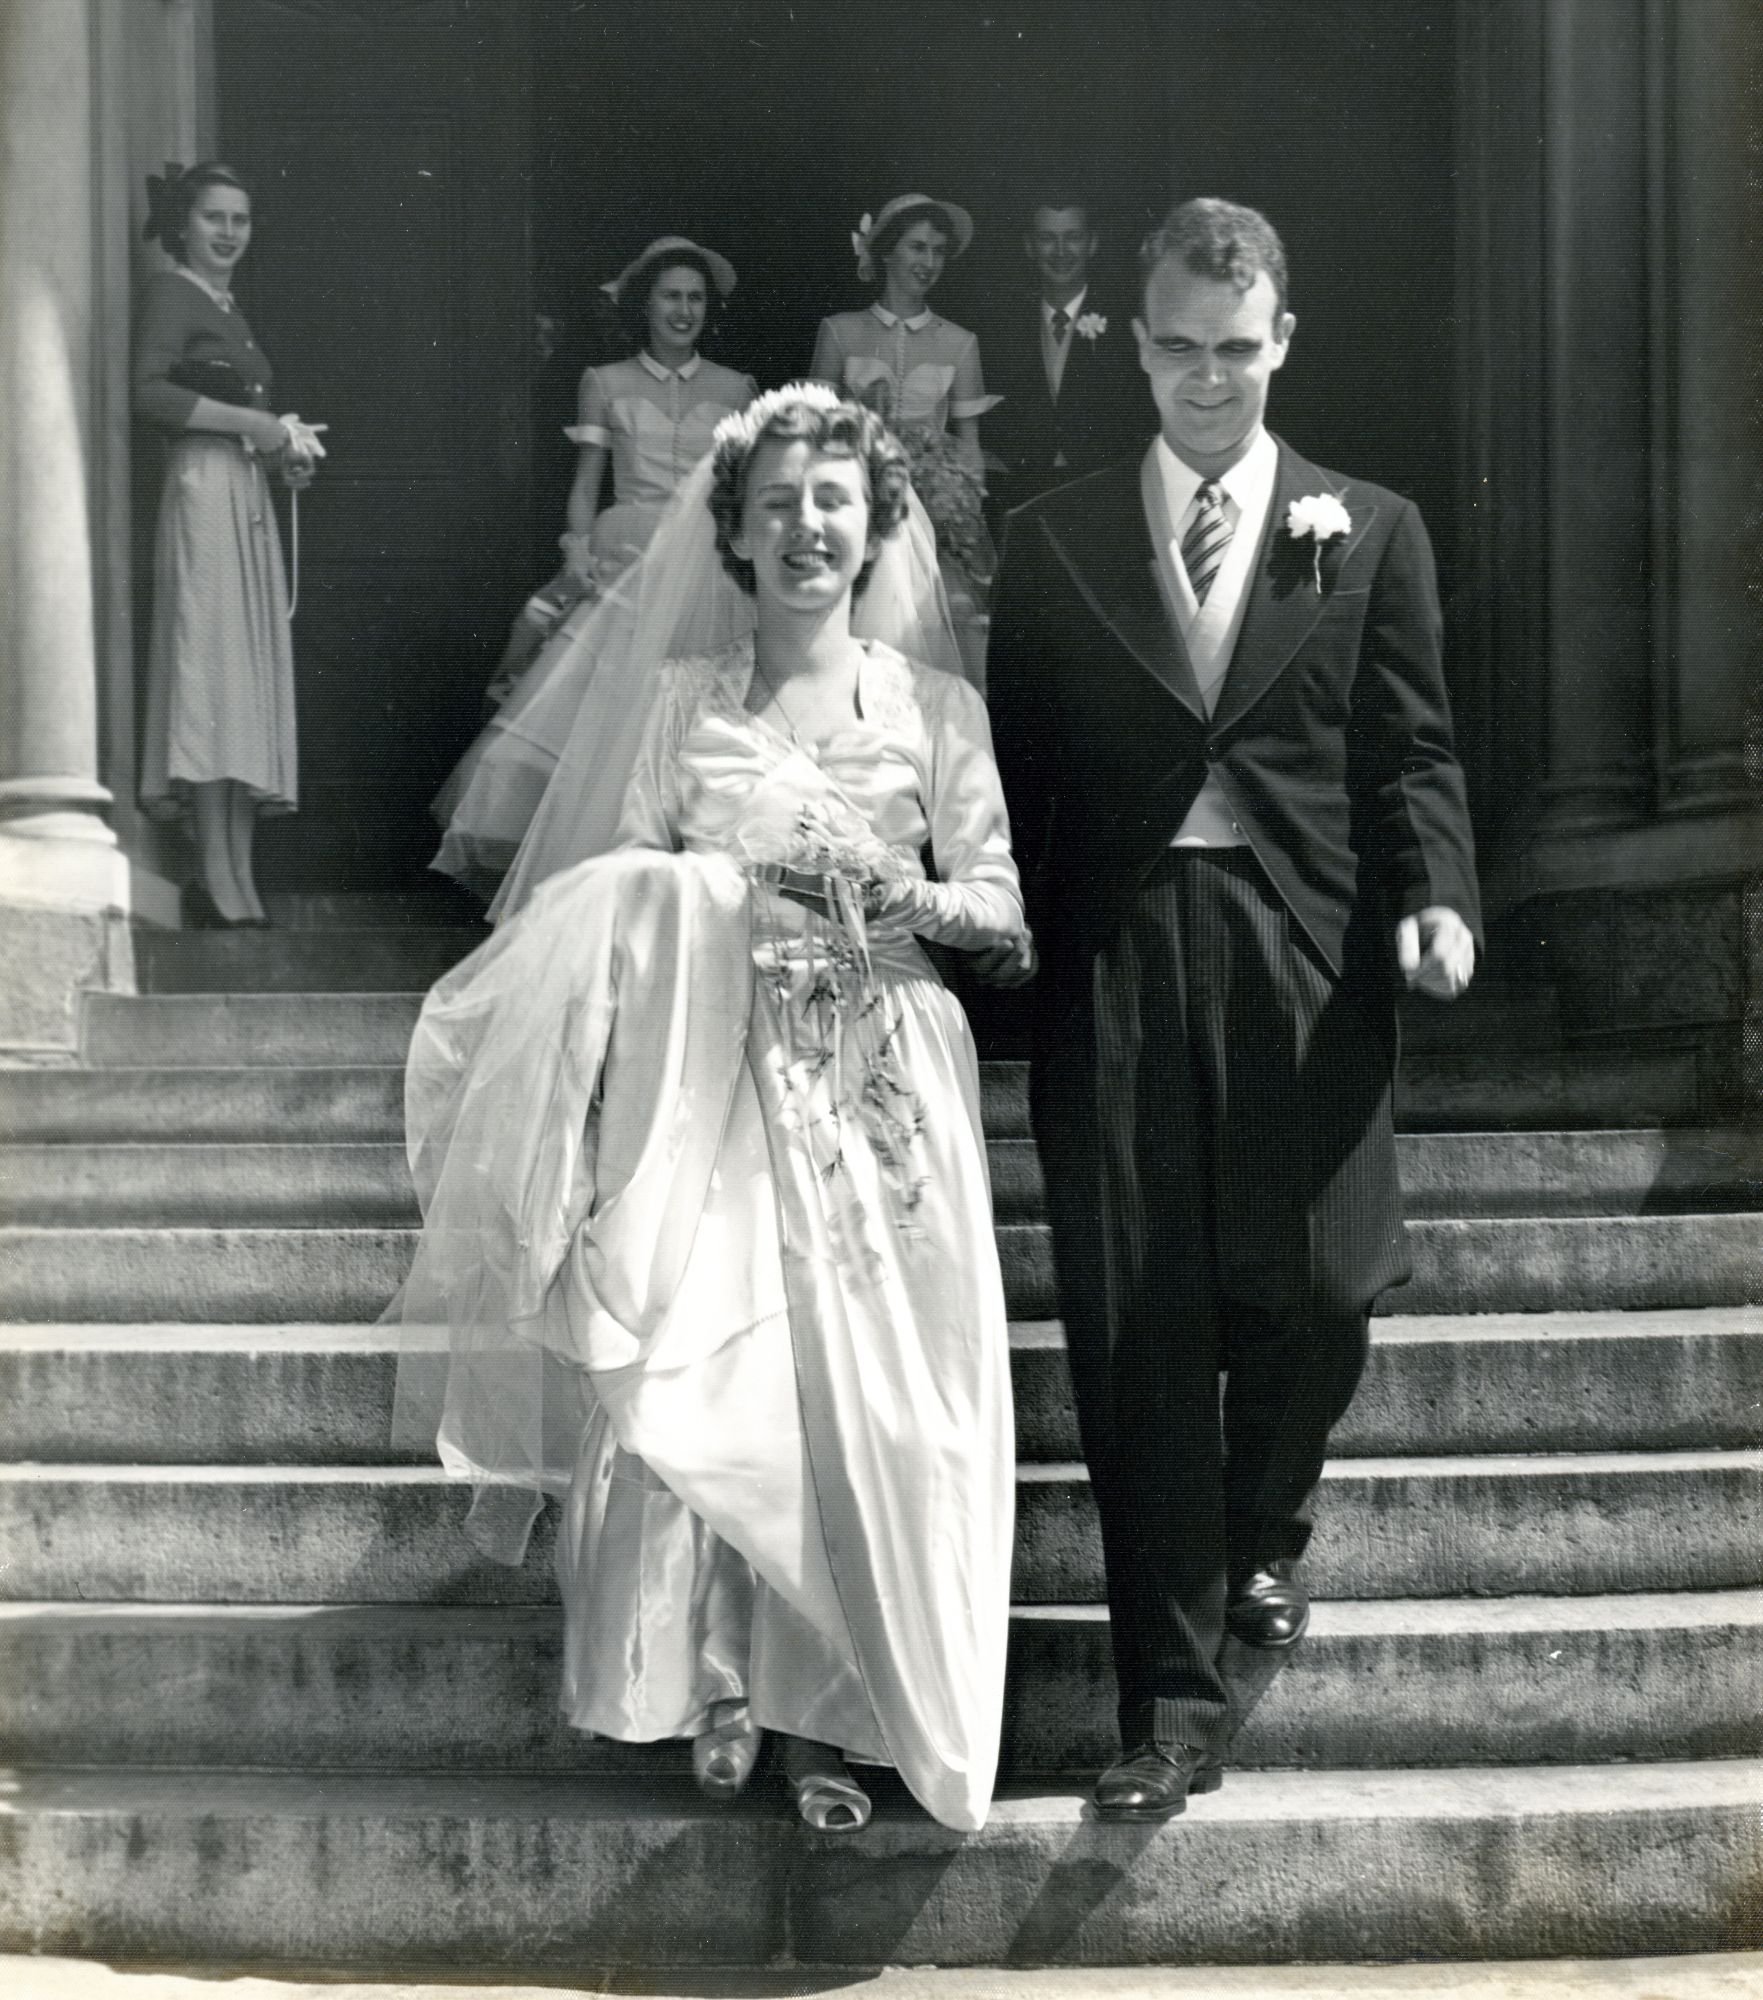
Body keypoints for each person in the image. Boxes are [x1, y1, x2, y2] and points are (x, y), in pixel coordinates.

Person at [392, 385, 1033, 1834]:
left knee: (872, 1401)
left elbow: (1000, 914)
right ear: (732, 534)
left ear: (873, 526)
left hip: (874, 1068)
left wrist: (890, 890)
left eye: (831, 503)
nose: (805, 529)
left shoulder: (933, 707)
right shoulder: (681, 700)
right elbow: (609, 896)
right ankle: (722, 1682)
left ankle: (841, 1720)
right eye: (774, 507)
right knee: (714, 1369)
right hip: (708, 1068)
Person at [987, 199, 1482, 1822]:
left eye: (1236, 351)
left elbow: (1405, 749)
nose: (1207, 383)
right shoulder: (1053, 540)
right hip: (1119, 952)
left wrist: (1437, 897)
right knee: (1141, 1336)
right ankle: (1169, 1713)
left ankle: (1269, 1525)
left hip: (1304, 949)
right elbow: (1010, 780)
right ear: (1136, 347)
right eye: (1178, 352)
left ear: (1282, 340)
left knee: (1327, 1283)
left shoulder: (1371, 529)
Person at [430, 237, 755, 896]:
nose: (683, 311)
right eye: (670, 296)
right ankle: (587, 874)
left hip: (705, 569)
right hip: (628, 553)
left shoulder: (736, 387)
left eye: (695, 298)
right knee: (601, 712)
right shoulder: (605, 382)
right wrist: (577, 551)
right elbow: (587, 483)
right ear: (645, 305)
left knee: (693, 713)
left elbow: (738, 490)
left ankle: (676, 864)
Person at [134, 162, 326, 928]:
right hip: (202, 492)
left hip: (242, 492)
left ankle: (238, 876)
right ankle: (214, 874)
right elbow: (149, 393)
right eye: (214, 218)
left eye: (240, 220)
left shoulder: (227, 309)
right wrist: (256, 427)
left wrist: (284, 455)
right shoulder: (170, 293)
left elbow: (244, 419)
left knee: (240, 681)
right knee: (212, 674)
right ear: (184, 224)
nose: (227, 233)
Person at [809, 195, 999, 687]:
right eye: (918, 248)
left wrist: (961, 518)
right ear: (887, 252)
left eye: (938, 252)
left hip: (931, 522)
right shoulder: (839, 332)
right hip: (856, 507)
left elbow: (970, 448)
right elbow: (811, 438)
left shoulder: (960, 343)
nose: (929, 263)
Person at [983, 193, 1143, 511]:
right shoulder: (1002, 327)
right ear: (1029, 246)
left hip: (1106, 495)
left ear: (1092, 244)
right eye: (1047, 238)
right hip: (1023, 496)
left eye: (1073, 238)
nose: (1060, 252)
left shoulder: (1128, 324)